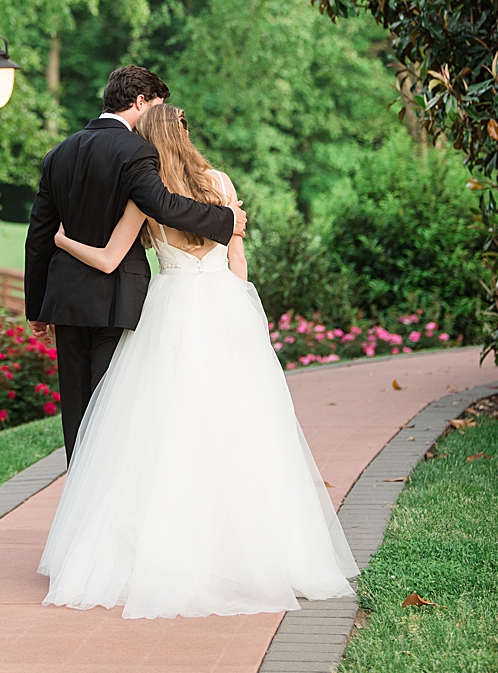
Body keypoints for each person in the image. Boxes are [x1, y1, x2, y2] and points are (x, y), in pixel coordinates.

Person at [37, 102, 358, 618]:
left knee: (162, 429)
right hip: (225, 308)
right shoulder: (220, 184)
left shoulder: (145, 197)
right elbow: (236, 259)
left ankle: (161, 551)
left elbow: (108, 259)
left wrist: (61, 238)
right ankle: (263, 552)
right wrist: (239, 310)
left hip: (171, 308)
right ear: (186, 134)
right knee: (245, 427)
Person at [25, 65, 245, 462]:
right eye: (157, 106)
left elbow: (39, 233)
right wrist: (225, 220)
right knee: (111, 410)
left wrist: (36, 307)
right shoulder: (137, 151)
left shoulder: (58, 153)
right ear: (140, 102)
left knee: (76, 411)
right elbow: (161, 205)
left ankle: (82, 504)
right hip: (116, 300)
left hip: (67, 301)